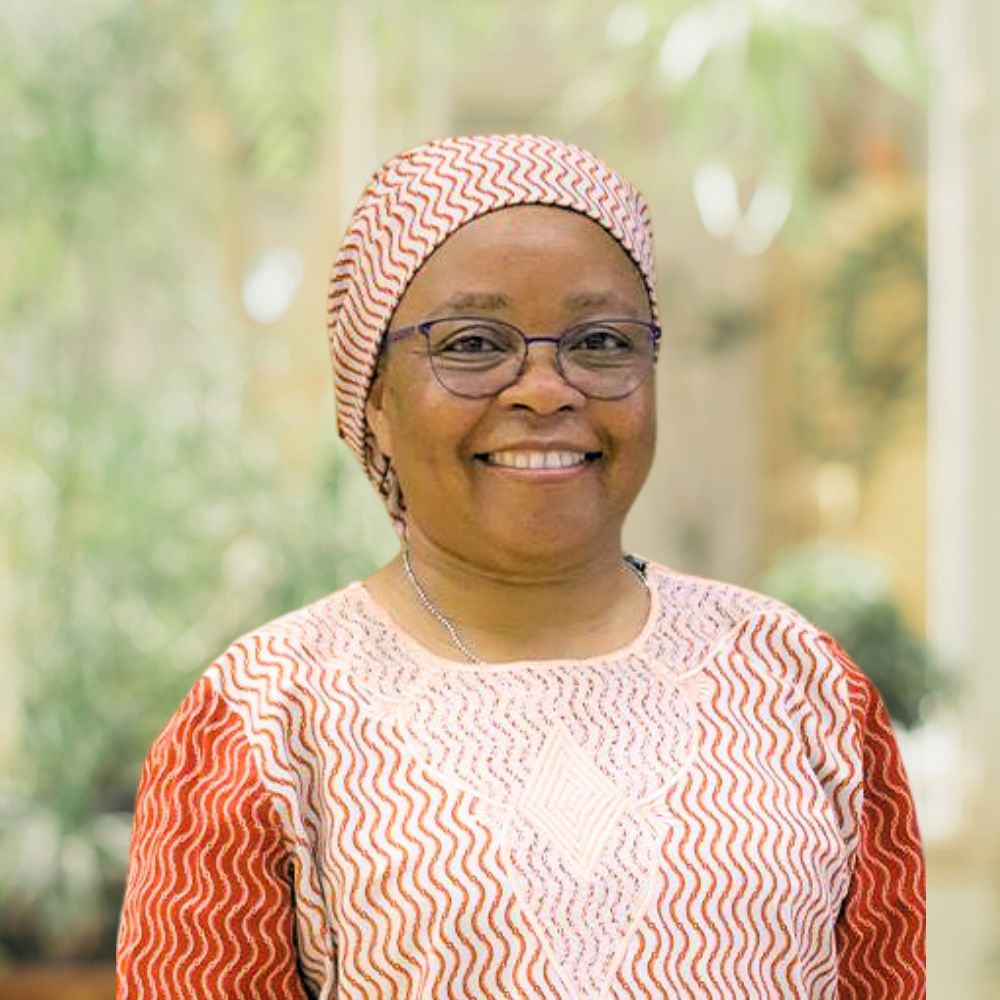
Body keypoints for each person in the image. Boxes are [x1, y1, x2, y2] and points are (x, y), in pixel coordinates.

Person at [116, 134, 925, 999]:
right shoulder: (270, 719)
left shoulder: (799, 685)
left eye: (602, 341)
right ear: (374, 395)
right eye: (472, 344)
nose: (545, 389)